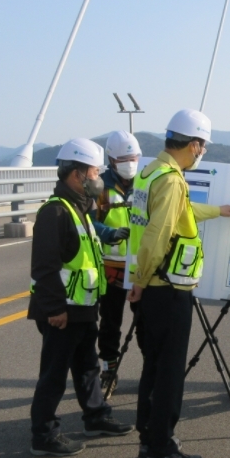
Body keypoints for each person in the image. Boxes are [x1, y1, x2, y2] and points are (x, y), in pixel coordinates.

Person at [127, 109, 230, 458]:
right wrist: (142, 279)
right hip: (167, 289)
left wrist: (218, 211)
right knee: (170, 374)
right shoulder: (173, 180)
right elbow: (159, 235)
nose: (201, 153)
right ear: (192, 145)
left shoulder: (150, 172)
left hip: (151, 289)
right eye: (202, 147)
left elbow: (179, 213)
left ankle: (148, 440)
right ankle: (162, 451)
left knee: (153, 367)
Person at [28, 138, 134, 457]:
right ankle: (44, 435)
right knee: (54, 375)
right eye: (94, 171)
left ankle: (96, 417)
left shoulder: (79, 208)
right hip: (63, 311)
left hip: (84, 307)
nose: (98, 177)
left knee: (88, 368)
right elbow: (44, 267)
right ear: (77, 174)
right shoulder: (55, 213)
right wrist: (54, 309)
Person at [90, 130, 141, 398]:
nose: (129, 164)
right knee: (110, 324)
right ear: (111, 160)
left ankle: (152, 371)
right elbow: (88, 221)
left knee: (146, 323)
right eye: (123, 159)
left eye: (133, 158)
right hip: (111, 267)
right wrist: (109, 233)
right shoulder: (99, 187)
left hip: (140, 267)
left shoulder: (146, 183)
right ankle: (109, 372)